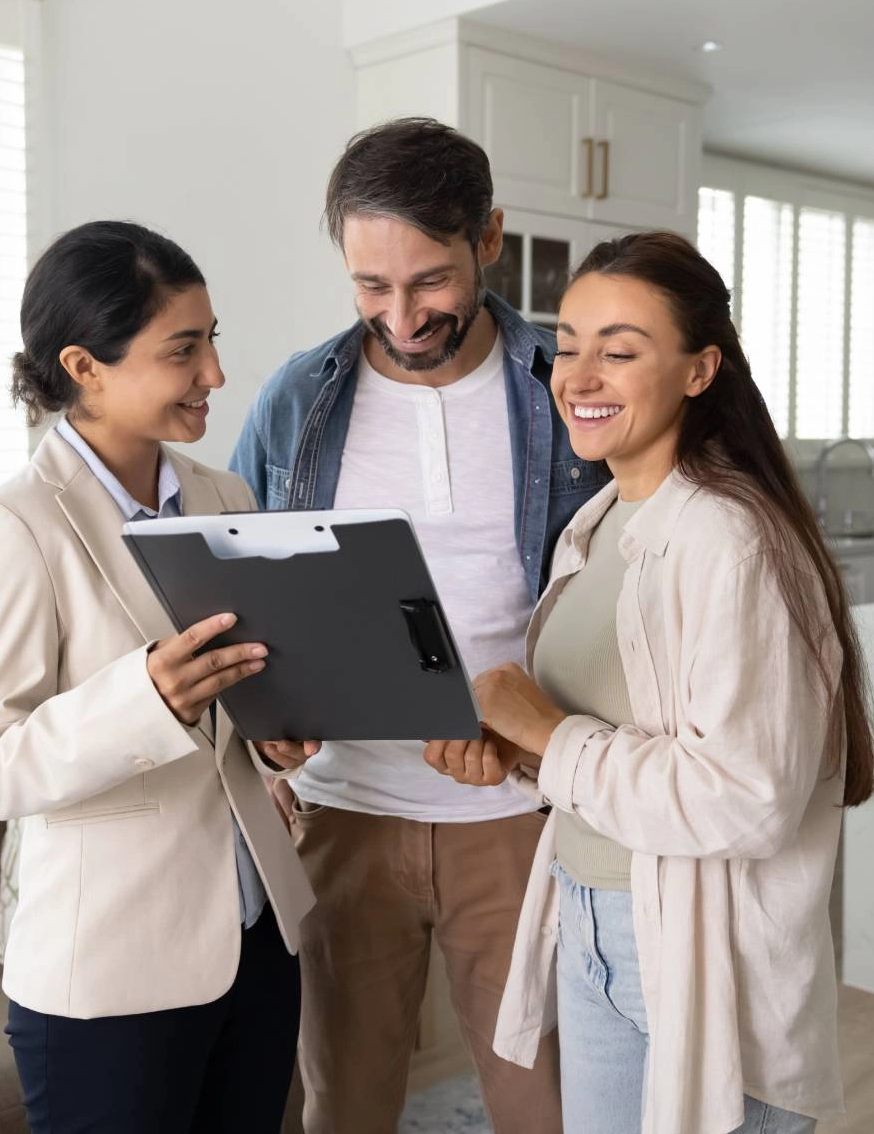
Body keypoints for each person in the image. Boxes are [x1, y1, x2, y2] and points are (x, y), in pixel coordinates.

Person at [427, 230, 874, 1134]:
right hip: (593, 918)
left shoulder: (732, 538)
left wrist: (550, 737)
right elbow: (613, 730)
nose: (579, 375)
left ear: (700, 369)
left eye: (620, 351)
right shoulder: (595, 525)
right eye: (569, 344)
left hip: (697, 950)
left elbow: (745, 800)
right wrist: (518, 755)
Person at [231, 118, 599, 1133]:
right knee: (343, 1108)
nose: (400, 315)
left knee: (549, 1108)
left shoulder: (564, 386)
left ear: (489, 238)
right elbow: (249, 595)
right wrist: (265, 724)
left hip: (521, 819)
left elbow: (630, 597)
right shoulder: (300, 397)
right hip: (344, 817)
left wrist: (534, 741)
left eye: (429, 280)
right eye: (369, 286)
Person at [0, 220, 317, 1134]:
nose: (216, 375)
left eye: (212, 340)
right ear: (84, 365)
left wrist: (274, 736)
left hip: (257, 937)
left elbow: (239, 704)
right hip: (110, 972)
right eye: (183, 350)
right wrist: (145, 696)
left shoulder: (225, 497)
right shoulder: (13, 526)